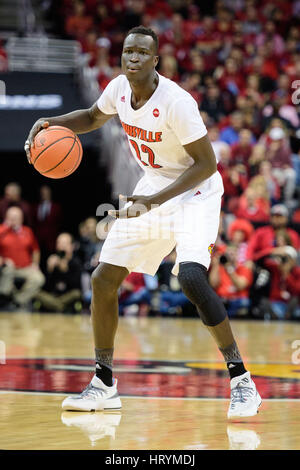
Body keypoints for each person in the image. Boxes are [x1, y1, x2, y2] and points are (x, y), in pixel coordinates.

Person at [25, 26, 261, 418]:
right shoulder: (118, 88)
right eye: (128, 50)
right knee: (103, 279)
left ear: (156, 60)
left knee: (190, 277)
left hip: (196, 191)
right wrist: (51, 122)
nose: (133, 57)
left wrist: (152, 201)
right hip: (155, 186)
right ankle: (104, 383)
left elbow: (207, 164)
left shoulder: (176, 102)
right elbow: (90, 116)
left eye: (141, 52)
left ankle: (242, 380)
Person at [0, 206, 45, 310]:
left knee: (38, 278)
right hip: (7, 267)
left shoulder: (27, 231)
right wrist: (2, 260)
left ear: (21, 219)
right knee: (8, 271)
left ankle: (17, 301)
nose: (13, 220)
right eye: (11, 217)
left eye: (16, 217)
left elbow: (35, 250)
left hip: (25, 267)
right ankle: (3, 298)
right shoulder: (1, 230)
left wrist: (35, 264)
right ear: (6, 217)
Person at [34, 233, 82, 313]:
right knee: (36, 293)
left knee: (76, 294)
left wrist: (65, 271)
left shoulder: (76, 263)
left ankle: (55, 306)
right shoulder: (52, 260)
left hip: (67, 296)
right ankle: (60, 307)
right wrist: (50, 270)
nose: (61, 246)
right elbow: (45, 287)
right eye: (59, 243)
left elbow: (77, 286)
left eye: (65, 243)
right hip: (53, 296)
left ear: (71, 246)